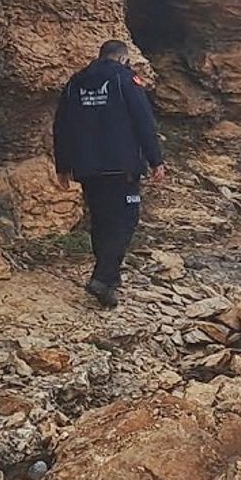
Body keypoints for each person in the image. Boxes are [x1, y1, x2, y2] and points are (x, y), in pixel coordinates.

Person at [52, 40, 166, 308]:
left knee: (101, 221)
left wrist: (63, 166)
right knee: (124, 221)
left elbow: (61, 126)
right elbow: (143, 121)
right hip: (121, 166)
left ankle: (108, 281)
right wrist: (156, 160)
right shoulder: (125, 80)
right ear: (123, 58)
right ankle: (103, 278)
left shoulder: (76, 82)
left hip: (87, 167)